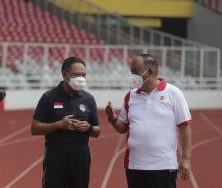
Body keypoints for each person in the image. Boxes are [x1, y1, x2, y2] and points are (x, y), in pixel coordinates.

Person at [105, 54, 192, 188]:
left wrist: (186, 159)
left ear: (150, 72)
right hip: (135, 165)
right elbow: (123, 128)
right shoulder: (131, 95)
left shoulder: (173, 93)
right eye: (131, 72)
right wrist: (112, 118)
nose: (132, 76)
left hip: (163, 165)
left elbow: (185, 126)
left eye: (135, 72)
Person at [31, 56, 101, 188]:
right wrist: (59, 125)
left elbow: (97, 131)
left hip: (81, 153)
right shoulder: (49, 97)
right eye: (77, 75)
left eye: (83, 75)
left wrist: (89, 127)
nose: (81, 78)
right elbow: (34, 128)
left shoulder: (88, 99)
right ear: (65, 75)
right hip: (56, 152)